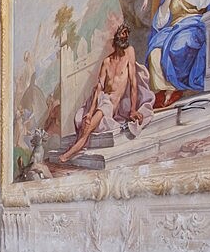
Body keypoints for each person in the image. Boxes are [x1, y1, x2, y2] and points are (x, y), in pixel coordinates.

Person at [57, 24, 154, 162]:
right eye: (122, 33)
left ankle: (68, 154)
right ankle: (75, 148)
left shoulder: (129, 53)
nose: (125, 36)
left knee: (89, 126)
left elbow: (133, 83)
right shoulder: (107, 62)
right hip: (100, 99)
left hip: (109, 104)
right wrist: (90, 112)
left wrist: (132, 109)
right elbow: (99, 88)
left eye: (127, 33)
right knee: (84, 121)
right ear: (115, 38)